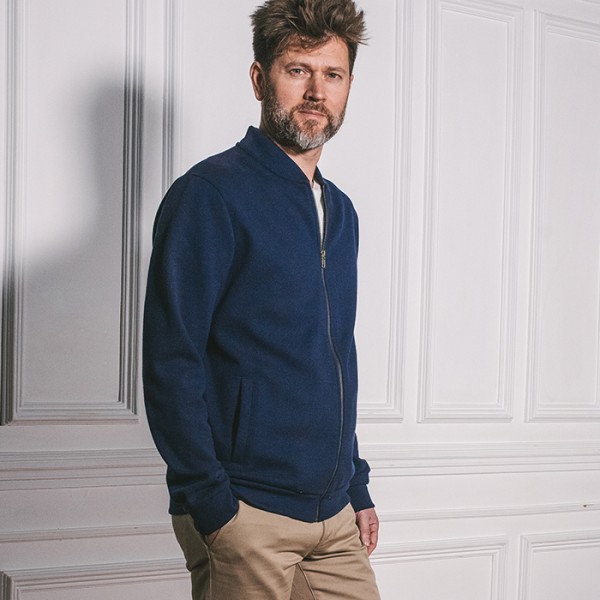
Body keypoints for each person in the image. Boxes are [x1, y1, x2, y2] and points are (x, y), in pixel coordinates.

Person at [142, 0, 380, 598]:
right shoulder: (209, 195)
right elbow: (171, 360)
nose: (317, 91)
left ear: (348, 87)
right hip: (246, 512)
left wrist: (355, 485)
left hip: (334, 515)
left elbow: (334, 355)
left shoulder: (342, 212)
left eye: (333, 74)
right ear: (259, 78)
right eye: (298, 70)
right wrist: (213, 504)